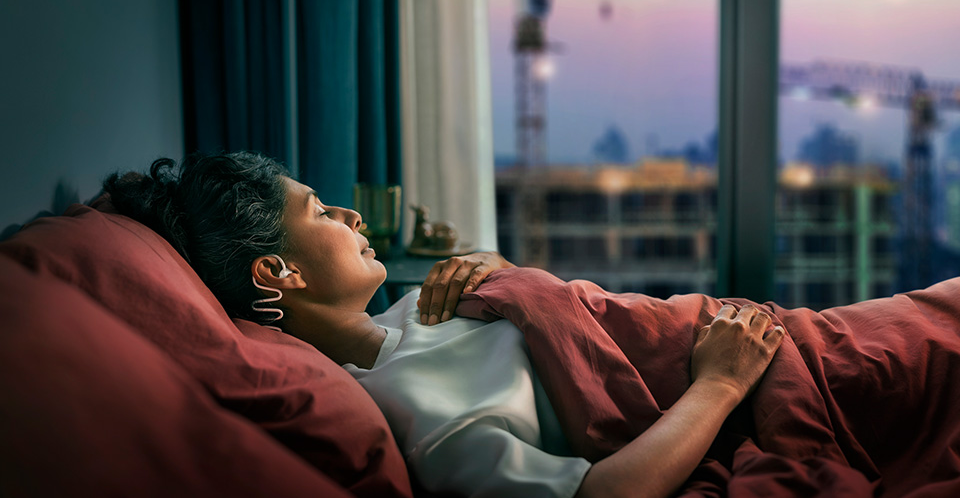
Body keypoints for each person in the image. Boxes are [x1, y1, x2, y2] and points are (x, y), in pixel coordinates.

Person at [104, 151, 784, 498]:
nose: (351, 215)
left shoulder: (415, 311)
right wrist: (721, 386)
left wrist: (503, 273)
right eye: (319, 212)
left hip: (735, 329)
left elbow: (565, 330)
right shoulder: (415, 409)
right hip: (749, 368)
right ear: (280, 274)